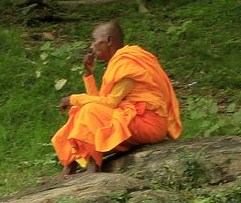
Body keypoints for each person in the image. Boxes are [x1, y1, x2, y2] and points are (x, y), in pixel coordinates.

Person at [52, 20, 182, 176]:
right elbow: (100, 100)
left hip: (148, 122)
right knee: (81, 110)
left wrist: (73, 98)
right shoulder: (119, 62)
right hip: (133, 116)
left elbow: (109, 103)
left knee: (89, 111)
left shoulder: (128, 63)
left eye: (94, 41)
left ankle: (93, 168)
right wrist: (88, 74)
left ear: (108, 40)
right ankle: (71, 166)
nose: (91, 46)